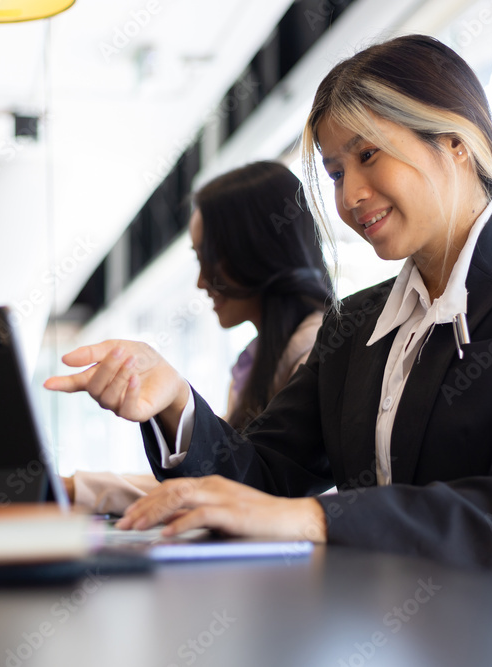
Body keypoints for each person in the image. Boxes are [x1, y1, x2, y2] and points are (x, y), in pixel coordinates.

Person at [45, 35, 492, 584]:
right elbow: (264, 479)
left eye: (369, 156)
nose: (349, 196)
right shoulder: (356, 324)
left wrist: (317, 520)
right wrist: (174, 401)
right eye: (334, 171)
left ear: (456, 145)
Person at [61, 161, 333, 513]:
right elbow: (218, 484)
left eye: (210, 259)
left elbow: (249, 493)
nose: (202, 282)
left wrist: (79, 490)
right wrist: (76, 490)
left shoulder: (315, 352)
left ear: (254, 251)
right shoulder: (258, 360)